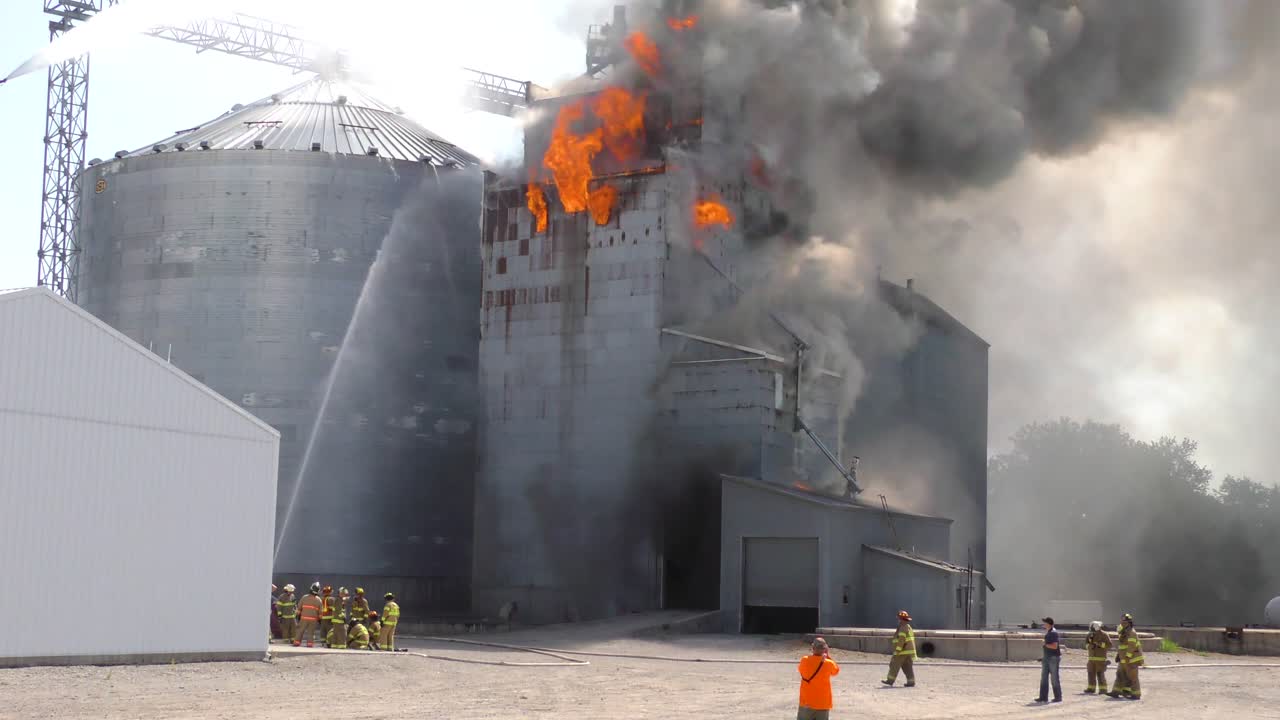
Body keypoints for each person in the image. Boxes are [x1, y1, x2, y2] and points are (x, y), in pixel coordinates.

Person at [797, 637, 840, 720]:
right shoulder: (829, 663)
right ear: (825, 649)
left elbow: (800, 670)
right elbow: (836, 671)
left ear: (813, 648)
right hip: (823, 703)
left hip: (806, 702)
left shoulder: (804, 660)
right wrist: (827, 657)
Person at [1109, 613, 1144, 700]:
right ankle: (1115, 692)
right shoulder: (1124, 632)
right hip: (1123, 658)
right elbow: (1122, 646)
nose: (1122, 623)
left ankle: (1136, 694)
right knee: (1120, 674)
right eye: (1121, 621)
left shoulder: (1131, 632)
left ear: (1129, 622)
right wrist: (1118, 655)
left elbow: (1131, 646)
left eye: (1124, 621)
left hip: (1131, 659)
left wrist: (1127, 657)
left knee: (1132, 677)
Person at [882, 610, 916, 687]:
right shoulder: (908, 626)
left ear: (901, 619)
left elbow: (901, 639)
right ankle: (911, 682)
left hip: (902, 651)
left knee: (894, 665)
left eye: (899, 618)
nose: (898, 620)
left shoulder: (903, 627)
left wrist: (898, 649)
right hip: (908, 651)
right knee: (907, 667)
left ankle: (890, 680)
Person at [1034, 617, 1063, 703]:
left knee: (1054, 678)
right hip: (1047, 658)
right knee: (1044, 678)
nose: (1044, 624)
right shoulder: (1050, 632)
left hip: (1053, 658)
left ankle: (1058, 697)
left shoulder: (1053, 633)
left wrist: (1045, 644)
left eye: (1045, 623)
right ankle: (1043, 697)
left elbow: (1054, 646)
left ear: (1049, 624)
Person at [1084, 620, 1112, 694]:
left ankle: (1103, 690)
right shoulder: (1089, 635)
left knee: (1100, 674)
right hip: (1091, 659)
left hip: (1100, 659)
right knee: (1090, 674)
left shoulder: (1104, 635)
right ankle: (1091, 688)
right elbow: (1086, 644)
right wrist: (1090, 646)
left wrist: (1100, 644)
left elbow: (1109, 645)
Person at [294, 582, 324, 647]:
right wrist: (320, 620)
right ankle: (309, 644)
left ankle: (297, 642)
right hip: (313, 619)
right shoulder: (319, 600)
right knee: (311, 632)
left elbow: (299, 608)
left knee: (300, 630)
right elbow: (321, 612)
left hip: (304, 618)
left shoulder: (304, 597)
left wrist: (298, 616)